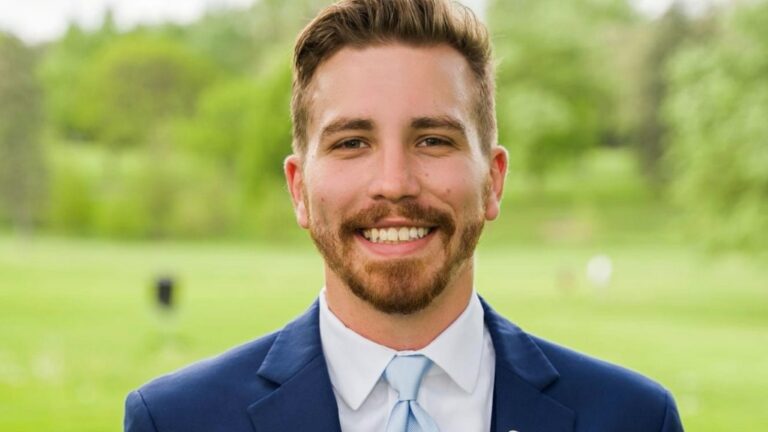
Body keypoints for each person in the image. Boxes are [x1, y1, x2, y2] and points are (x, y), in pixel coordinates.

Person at [124, 0, 684, 431]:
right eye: (351, 143)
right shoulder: (175, 420)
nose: (393, 183)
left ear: (493, 180)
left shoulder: (632, 417)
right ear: (299, 189)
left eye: (434, 139)